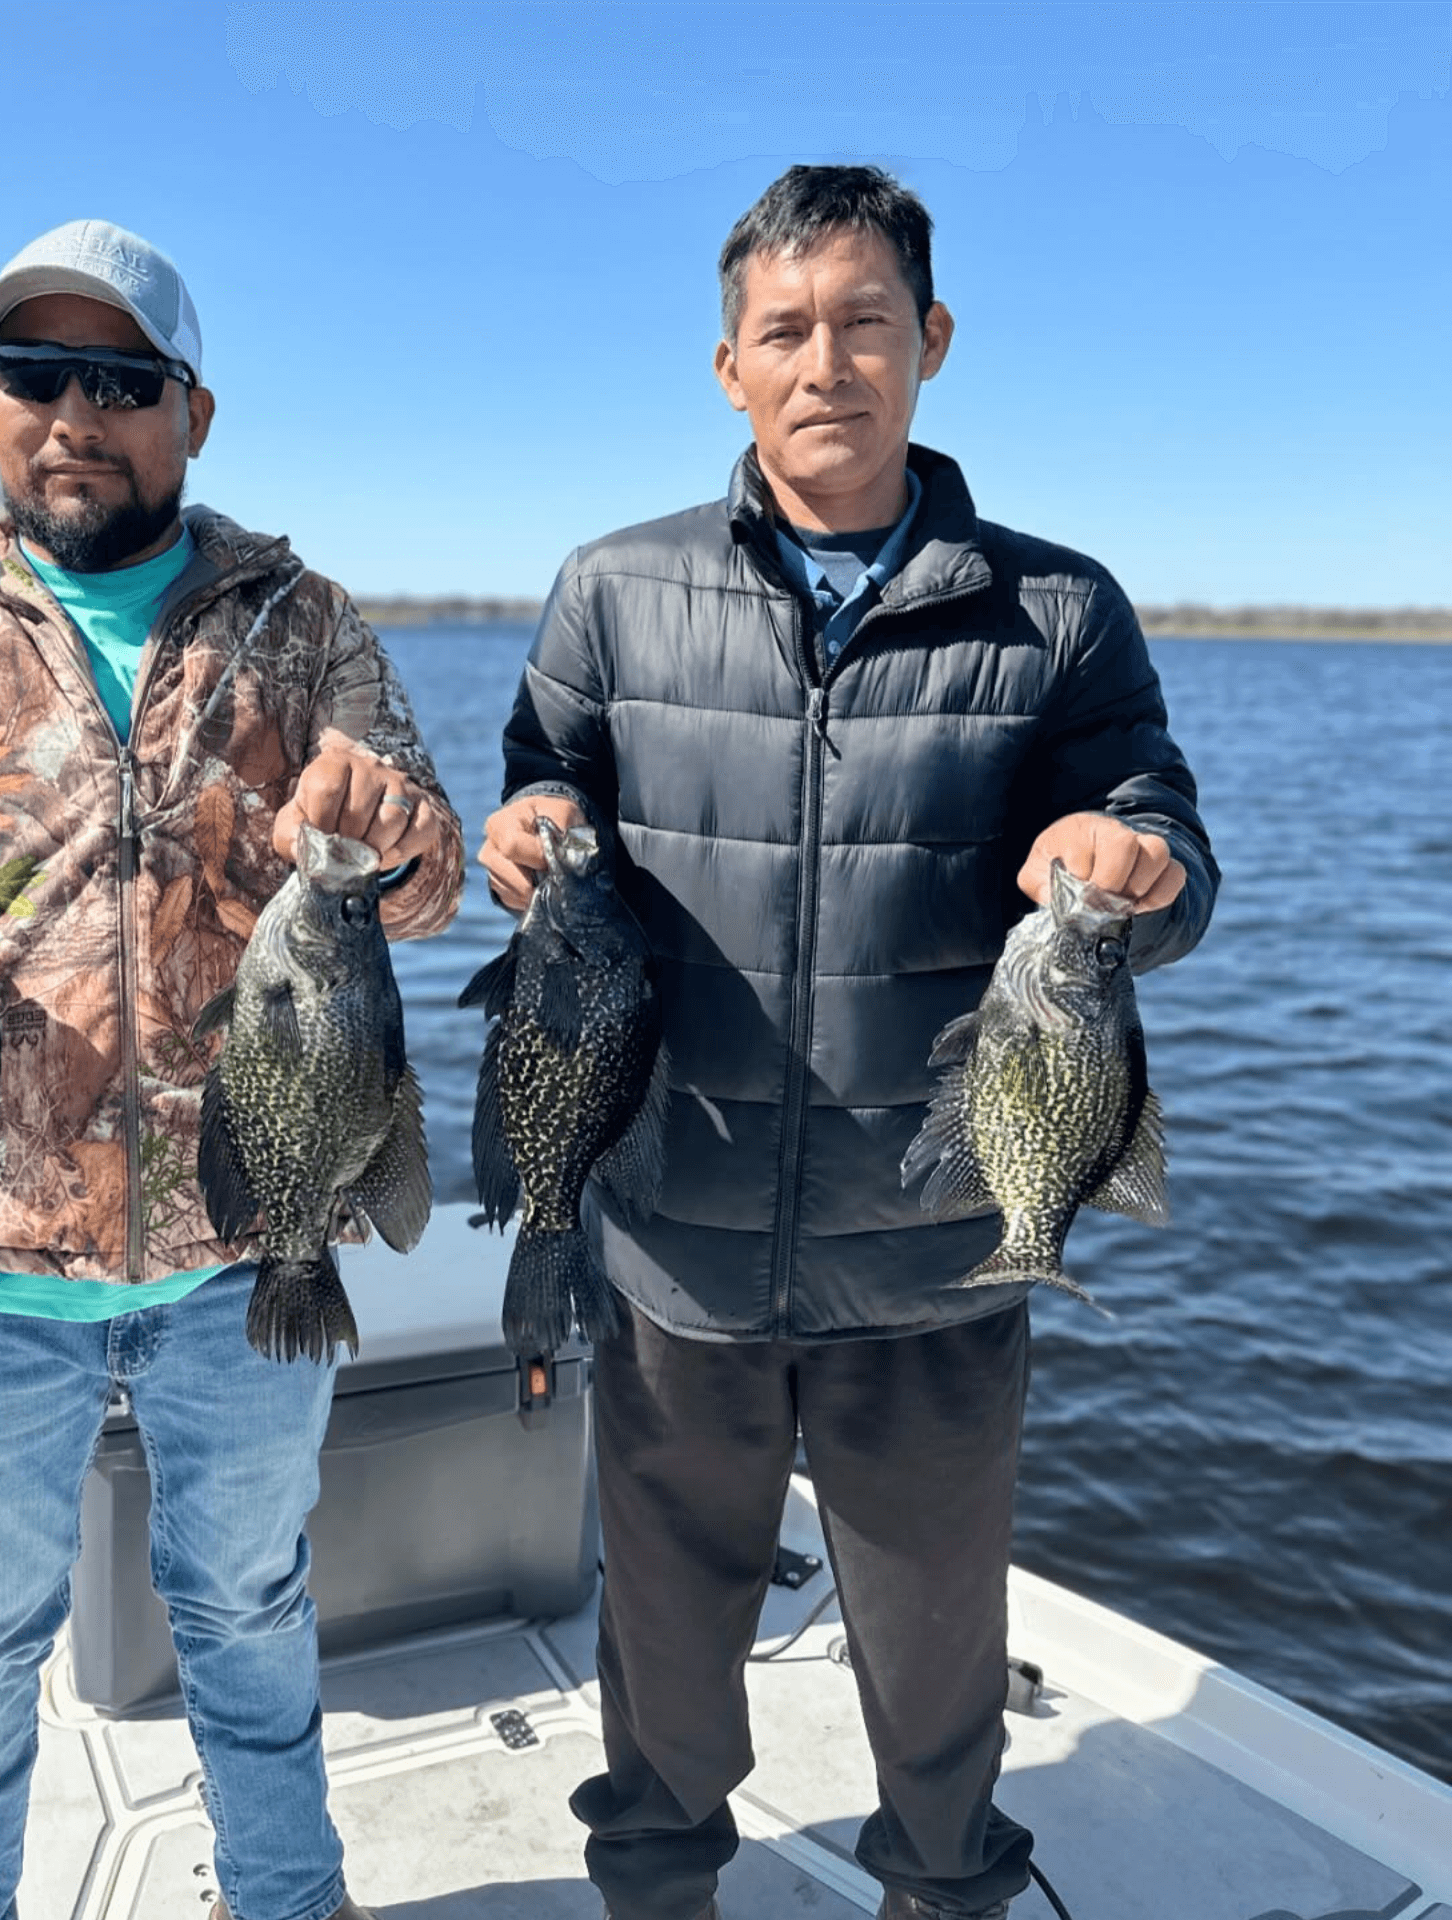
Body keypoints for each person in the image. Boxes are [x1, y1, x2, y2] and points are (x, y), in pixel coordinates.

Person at [476, 166, 1218, 1920]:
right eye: (786, 330)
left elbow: (1164, 845)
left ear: (932, 342)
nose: (829, 363)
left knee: (943, 1671)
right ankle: (660, 1891)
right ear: (727, 365)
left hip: (943, 1262)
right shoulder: (611, 590)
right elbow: (544, 775)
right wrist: (523, 826)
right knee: (661, 1669)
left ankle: (947, 1894)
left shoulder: (1058, 611)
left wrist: (1141, 864)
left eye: (866, 322)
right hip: (678, 1255)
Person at [0, 218, 463, 1920]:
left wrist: (402, 836)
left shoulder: (302, 620)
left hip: (246, 1241)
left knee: (254, 1621)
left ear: (194, 413)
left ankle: (285, 1898)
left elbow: (427, 890)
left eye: (118, 381)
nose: (73, 414)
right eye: (34, 373)